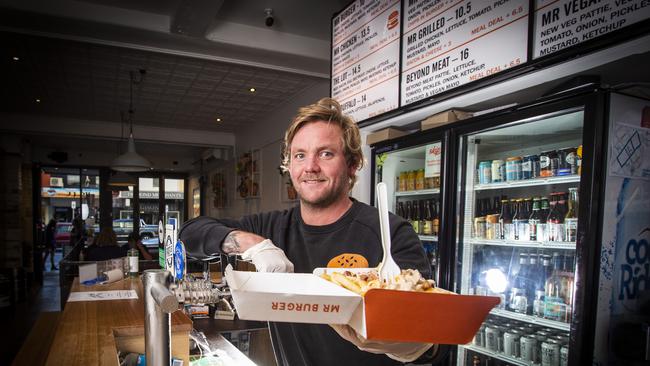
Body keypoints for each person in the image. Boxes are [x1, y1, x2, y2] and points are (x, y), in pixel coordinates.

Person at [180, 98, 441, 366]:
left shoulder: (390, 232)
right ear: (289, 166)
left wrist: (410, 345)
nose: (310, 167)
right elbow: (190, 233)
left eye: (326, 153)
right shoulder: (271, 227)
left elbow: (431, 341)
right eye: (300, 155)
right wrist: (250, 243)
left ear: (351, 165)